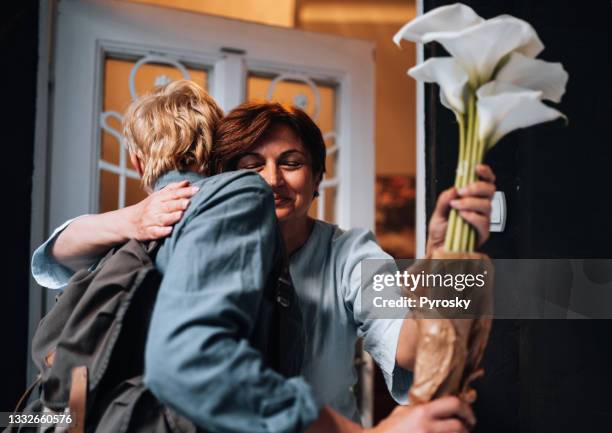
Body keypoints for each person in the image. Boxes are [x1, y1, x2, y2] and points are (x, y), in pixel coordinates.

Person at [33, 92, 492, 433]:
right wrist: (130, 218)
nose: (272, 180)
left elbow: (413, 346)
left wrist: (444, 258)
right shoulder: (185, 232)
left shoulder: (349, 254)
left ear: (316, 180)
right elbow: (54, 253)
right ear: (224, 179)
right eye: (251, 165)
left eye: (291, 162)